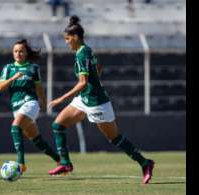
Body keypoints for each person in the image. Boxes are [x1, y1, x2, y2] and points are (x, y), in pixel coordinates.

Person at [47, 15, 155, 184]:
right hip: (84, 99)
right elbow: (98, 67)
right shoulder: (86, 50)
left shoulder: (82, 54)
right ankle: (66, 163)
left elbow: (82, 82)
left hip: (97, 103)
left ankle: (145, 162)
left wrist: (61, 98)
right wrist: (94, 82)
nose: (66, 42)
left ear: (75, 37)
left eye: (67, 39)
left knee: (115, 138)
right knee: (58, 126)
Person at [0, 39, 60, 174]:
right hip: (16, 106)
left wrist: (42, 101)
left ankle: (21, 164)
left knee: (15, 128)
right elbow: (0, 87)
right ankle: (61, 161)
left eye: (21, 51)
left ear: (26, 53)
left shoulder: (33, 68)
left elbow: (39, 87)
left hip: (30, 103)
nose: (18, 54)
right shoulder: (8, 68)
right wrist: (13, 78)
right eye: (15, 51)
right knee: (35, 138)